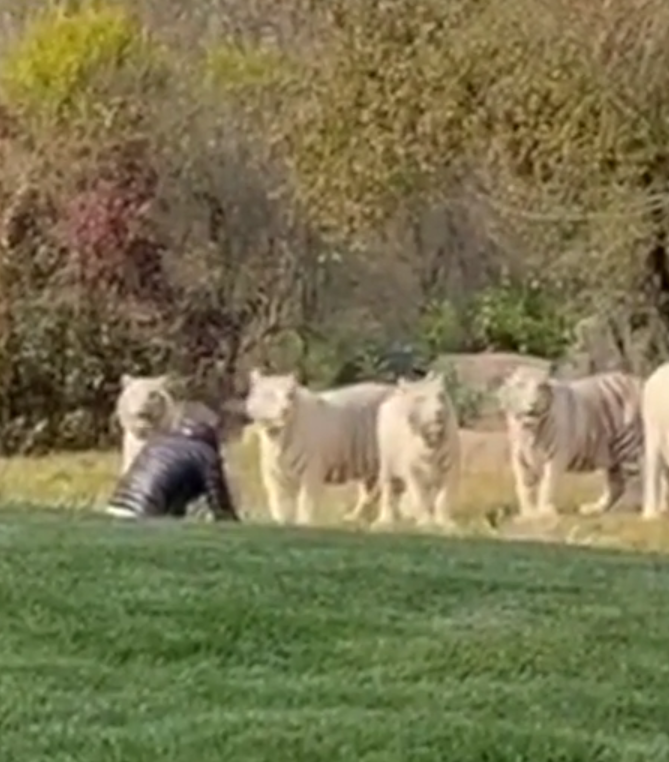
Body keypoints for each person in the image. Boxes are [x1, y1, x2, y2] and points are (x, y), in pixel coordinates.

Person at [105, 418, 240, 522]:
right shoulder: (205, 454)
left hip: (115, 507)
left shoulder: (156, 442)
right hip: (145, 513)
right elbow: (220, 505)